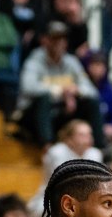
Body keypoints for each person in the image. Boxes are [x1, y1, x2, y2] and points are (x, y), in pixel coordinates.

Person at [18, 21, 104, 150]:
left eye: (63, 39)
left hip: (60, 114)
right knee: (44, 98)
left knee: (91, 103)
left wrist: (76, 91)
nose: (59, 43)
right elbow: (28, 86)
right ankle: (46, 146)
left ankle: (99, 148)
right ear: (45, 40)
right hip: (34, 117)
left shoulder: (71, 61)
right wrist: (60, 91)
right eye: (55, 39)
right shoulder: (35, 59)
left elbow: (92, 91)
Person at [28, 120, 104, 217]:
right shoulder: (56, 152)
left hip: (86, 197)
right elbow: (62, 183)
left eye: (89, 134)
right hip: (54, 195)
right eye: (82, 135)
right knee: (45, 210)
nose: (88, 138)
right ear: (69, 139)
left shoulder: (95, 154)